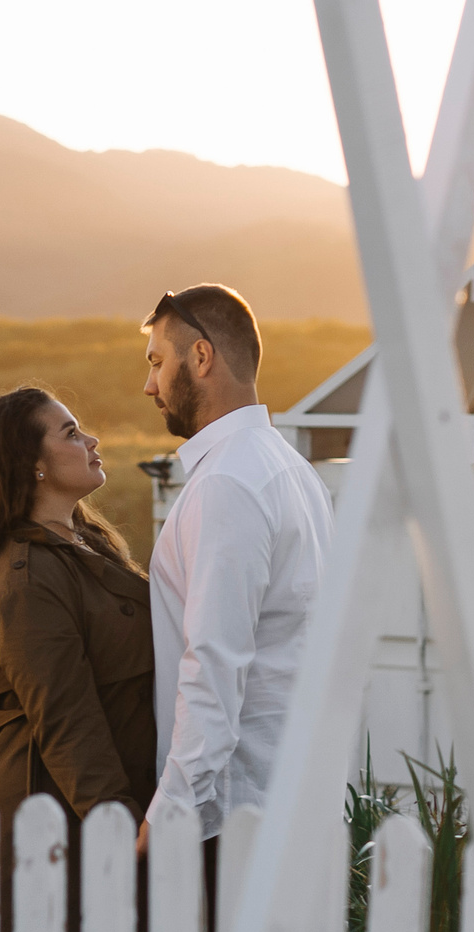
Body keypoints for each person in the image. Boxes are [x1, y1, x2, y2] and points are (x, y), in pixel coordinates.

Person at [0, 386, 154, 919]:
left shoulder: (84, 542)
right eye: (70, 433)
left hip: (84, 808)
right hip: (49, 817)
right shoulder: (26, 579)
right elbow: (66, 719)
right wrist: (117, 825)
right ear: (32, 465)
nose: (91, 440)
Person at [138, 284, 333, 889]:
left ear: (200, 358)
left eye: (156, 363)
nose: (150, 386)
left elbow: (214, 664)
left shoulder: (228, 482)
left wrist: (171, 808)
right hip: (282, 796)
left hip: (227, 816)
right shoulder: (289, 469)